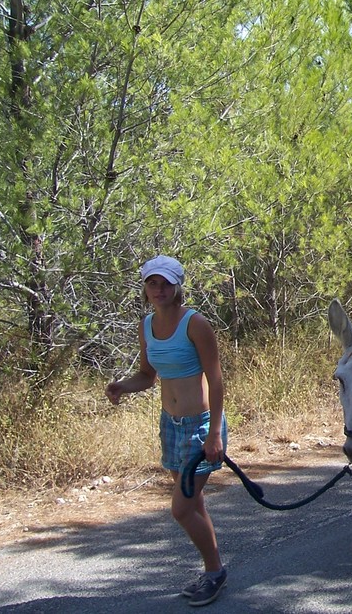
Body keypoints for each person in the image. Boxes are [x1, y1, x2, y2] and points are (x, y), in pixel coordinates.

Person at [106, 255, 229, 607]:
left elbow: (216, 381)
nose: (158, 290)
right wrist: (122, 386)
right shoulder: (147, 326)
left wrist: (214, 434)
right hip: (170, 426)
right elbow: (148, 376)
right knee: (192, 503)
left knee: (181, 509)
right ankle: (212, 571)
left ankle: (215, 572)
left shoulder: (196, 324)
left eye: (165, 283)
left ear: (177, 286)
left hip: (200, 426)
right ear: (145, 287)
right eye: (151, 283)